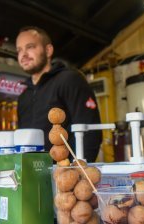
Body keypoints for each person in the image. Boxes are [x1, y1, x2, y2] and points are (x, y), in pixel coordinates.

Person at [16, 26, 102, 162]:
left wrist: (77, 172)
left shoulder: (69, 79)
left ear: (48, 50)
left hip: (64, 174)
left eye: (30, 47)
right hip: (32, 174)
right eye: (19, 50)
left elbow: (89, 131)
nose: (23, 54)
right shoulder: (23, 96)